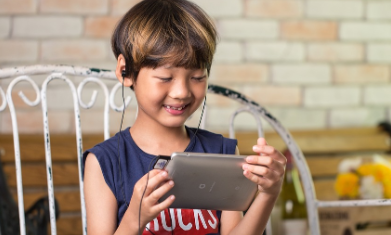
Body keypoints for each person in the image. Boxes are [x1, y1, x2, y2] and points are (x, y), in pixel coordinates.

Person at [83, 0, 286, 234]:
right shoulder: (104, 162)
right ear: (125, 71)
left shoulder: (221, 152)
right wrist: (133, 219)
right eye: (165, 78)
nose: (182, 92)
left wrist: (268, 194)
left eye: (197, 77)